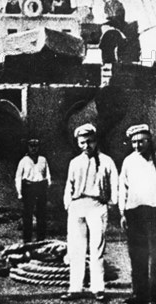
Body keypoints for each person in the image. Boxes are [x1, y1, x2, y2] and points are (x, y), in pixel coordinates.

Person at [118, 124, 156, 304]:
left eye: (141, 142)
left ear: (149, 141)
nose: (137, 146)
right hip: (134, 213)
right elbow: (123, 188)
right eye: (134, 142)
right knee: (137, 255)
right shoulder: (129, 161)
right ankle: (140, 295)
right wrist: (122, 212)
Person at [61, 124, 118, 302]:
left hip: (96, 206)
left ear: (96, 140)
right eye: (82, 143)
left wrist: (111, 204)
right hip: (78, 206)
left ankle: (97, 288)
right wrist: (69, 205)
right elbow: (68, 186)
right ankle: (75, 288)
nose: (86, 146)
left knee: (97, 249)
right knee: (76, 248)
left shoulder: (107, 161)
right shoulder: (75, 162)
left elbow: (114, 184)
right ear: (78, 143)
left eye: (90, 142)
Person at [14, 138, 52, 243]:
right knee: (27, 214)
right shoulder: (23, 161)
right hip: (28, 187)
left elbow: (47, 174)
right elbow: (18, 177)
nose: (34, 149)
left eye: (36, 147)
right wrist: (19, 193)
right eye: (31, 147)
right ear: (28, 147)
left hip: (40, 187)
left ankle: (41, 238)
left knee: (42, 214)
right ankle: (27, 239)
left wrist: (48, 185)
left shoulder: (43, 159)